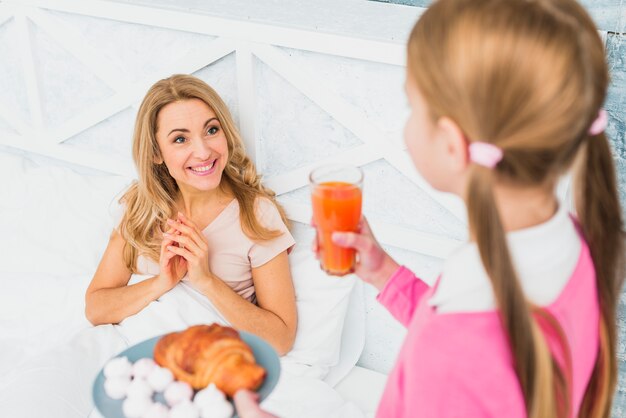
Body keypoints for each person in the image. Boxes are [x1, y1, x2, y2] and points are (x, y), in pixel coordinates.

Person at [234, 0, 625, 417]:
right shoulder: (574, 242)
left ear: (452, 145)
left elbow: (459, 348)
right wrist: (386, 275)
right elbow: (472, 340)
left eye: (413, 107)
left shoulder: (455, 350)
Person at [85, 74, 298, 356]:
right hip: (133, 355)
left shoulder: (256, 215)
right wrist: (163, 282)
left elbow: (280, 340)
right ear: (156, 153)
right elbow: (96, 308)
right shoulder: (140, 207)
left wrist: (206, 281)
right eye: (181, 139)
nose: (203, 151)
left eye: (211, 130)